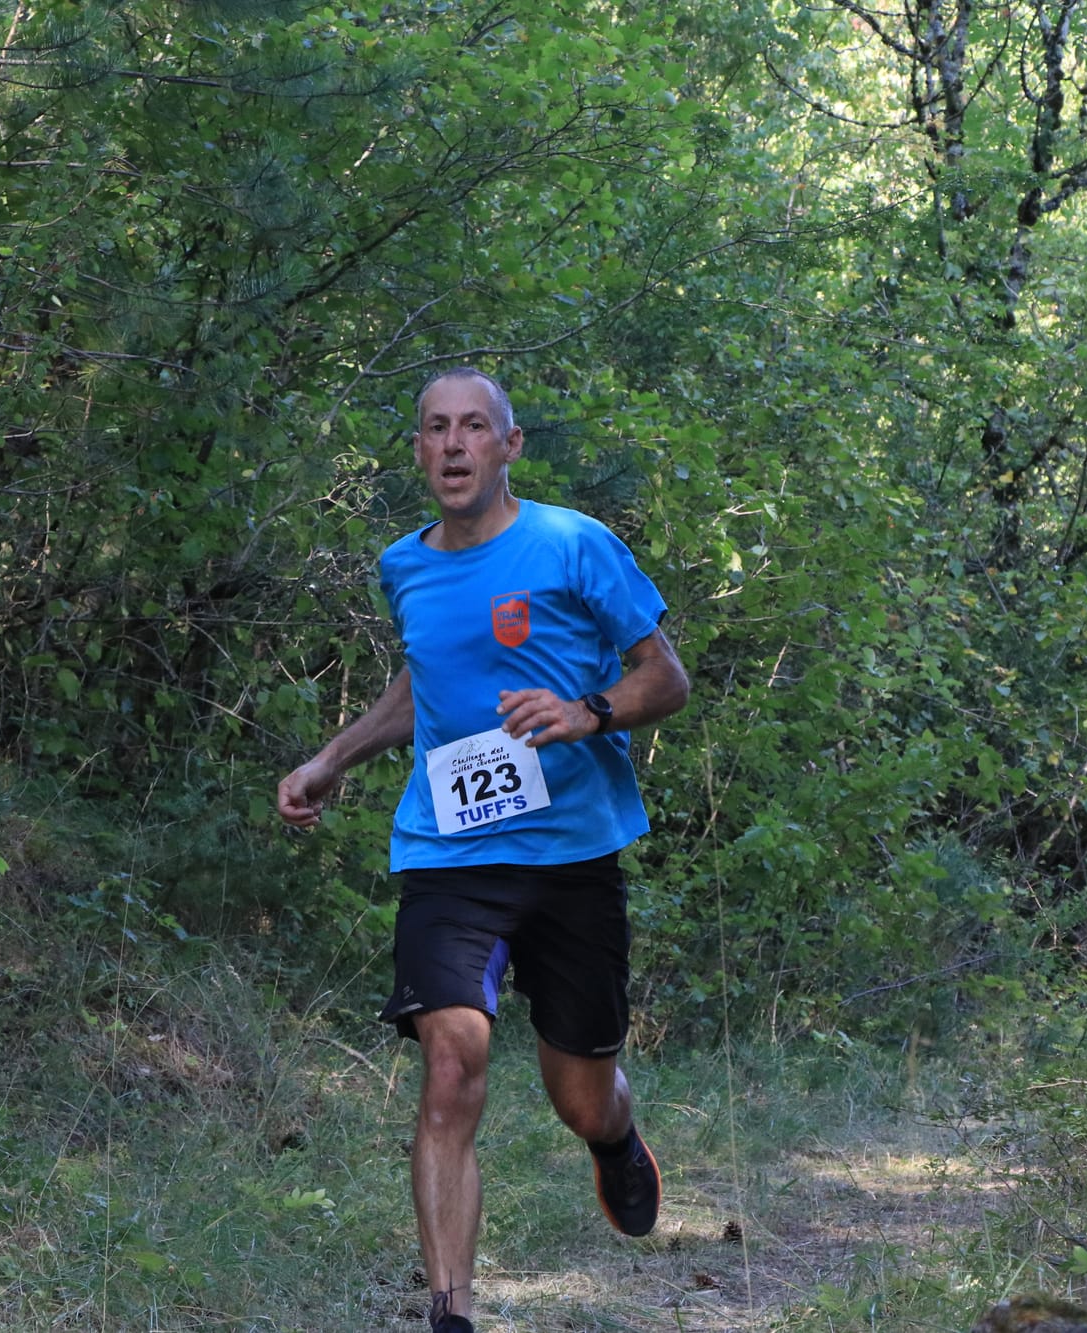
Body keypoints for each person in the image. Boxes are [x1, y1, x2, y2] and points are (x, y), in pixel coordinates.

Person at [274, 367, 690, 1333]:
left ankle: (617, 1140)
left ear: (509, 446)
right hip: (448, 854)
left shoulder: (573, 544)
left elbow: (664, 676)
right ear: (418, 450)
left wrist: (587, 712)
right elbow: (427, 682)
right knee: (452, 1062)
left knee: (581, 1097)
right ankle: (451, 1315)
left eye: (473, 428)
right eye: (434, 429)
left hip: (572, 855)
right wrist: (331, 758)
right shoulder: (404, 565)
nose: (453, 445)